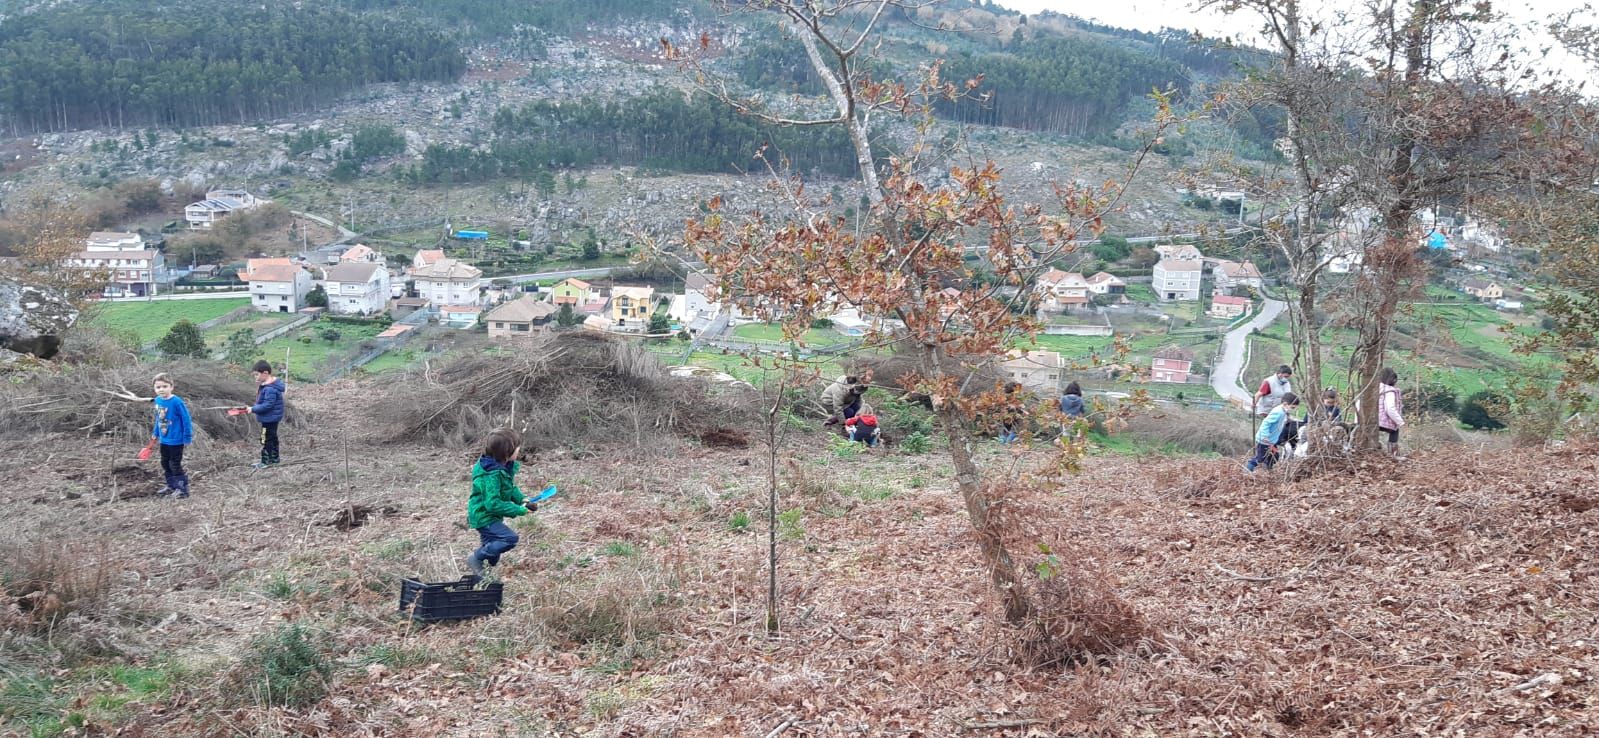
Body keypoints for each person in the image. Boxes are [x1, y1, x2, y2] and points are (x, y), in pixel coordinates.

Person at [465, 428, 537, 577]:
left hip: (490, 515)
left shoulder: (502, 468)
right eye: (517, 448)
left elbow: (509, 488)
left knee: (492, 557)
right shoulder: (492, 474)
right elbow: (493, 504)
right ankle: (476, 558)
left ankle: (483, 579)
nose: (519, 451)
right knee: (509, 538)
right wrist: (519, 509)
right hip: (484, 517)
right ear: (506, 452)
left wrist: (522, 499)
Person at [151, 373, 193, 499]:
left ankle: (182, 489)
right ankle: (171, 485)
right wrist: (155, 432)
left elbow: (186, 419)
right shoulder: (158, 400)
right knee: (165, 462)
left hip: (176, 440)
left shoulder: (176, 402)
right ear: (154, 388)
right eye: (158, 387)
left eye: (165, 386)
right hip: (164, 439)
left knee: (174, 464)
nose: (161, 389)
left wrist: (187, 436)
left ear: (171, 387)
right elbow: (159, 418)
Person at [241, 360, 285, 468]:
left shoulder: (270, 389)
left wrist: (253, 409)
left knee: (265, 439)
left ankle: (265, 461)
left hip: (269, 418)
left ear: (265, 373)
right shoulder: (269, 386)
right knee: (272, 437)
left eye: (257, 374)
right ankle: (274, 458)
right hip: (272, 418)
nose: (255, 377)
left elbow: (267, 405)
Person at [1247, 392, 1300, 472]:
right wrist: (1265, 436)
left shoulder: (1283, 411)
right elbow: (1266, 423)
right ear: (1285, 404)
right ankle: (1248, 470)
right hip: (1264, 440)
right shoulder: (1278, 412)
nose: (1293, 410)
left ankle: (1268, 470)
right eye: (1292, 407)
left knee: (1274, 456)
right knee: (1260, 458)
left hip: (1271, 441)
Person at [1378, 367, 1405, 457]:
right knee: (1395, 429)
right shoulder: (1389, 391)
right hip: (1382, 421)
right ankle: (1393, 454)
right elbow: (1390, 409)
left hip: (1368, 420)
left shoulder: (1374, 388)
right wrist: (1400, 422)